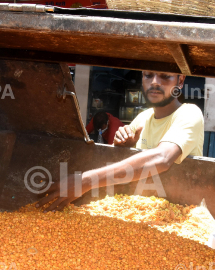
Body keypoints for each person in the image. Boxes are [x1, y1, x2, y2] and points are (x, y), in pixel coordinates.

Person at [37, 71, 204, 211]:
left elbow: (162, 158)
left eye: (164, 77)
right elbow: (120, 160)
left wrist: (85, 181)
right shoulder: (143, 117)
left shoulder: (189, 113)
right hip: (138, 211)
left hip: (177, 214)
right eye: (148, 75)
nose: (154, 82)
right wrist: (122, 146)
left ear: (180, 81)